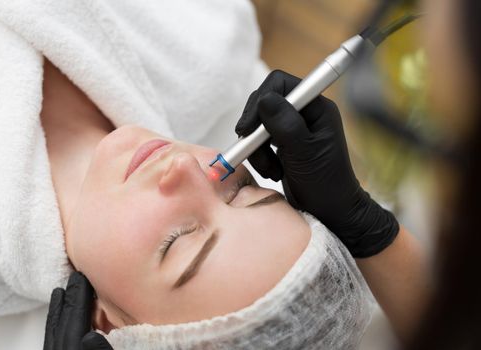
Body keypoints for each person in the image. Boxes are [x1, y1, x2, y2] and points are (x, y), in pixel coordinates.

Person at [46, 0, 481, 348]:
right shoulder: (207, 49)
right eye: (241, 189)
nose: (182, 166)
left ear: (101, 320)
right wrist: (365, 225)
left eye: (177, 241)